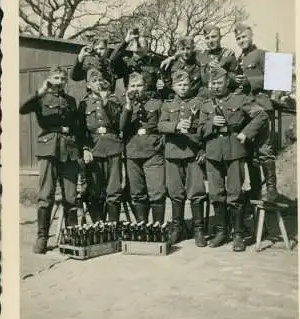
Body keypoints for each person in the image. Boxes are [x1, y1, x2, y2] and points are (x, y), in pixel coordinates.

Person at [198, 67, 268, 252]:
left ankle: (237, 234)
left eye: (219, 83)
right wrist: (210, 124)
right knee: (216, 193)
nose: (215, 87)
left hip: (235, 151)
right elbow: (199, 130)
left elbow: (262, 115)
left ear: (227, 83)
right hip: (213, 152)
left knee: (235, 193)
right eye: (213, 83)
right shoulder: (206, 104)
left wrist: (246, 133)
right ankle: (221, 231)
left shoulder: (240, 99)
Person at [19, 65, 82, 254]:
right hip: (48, 149)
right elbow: (22, 109)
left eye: (63, 79)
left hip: (69, 150)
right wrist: (40, 92)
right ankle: (42, 238)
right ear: (49, 79)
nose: (60, 82)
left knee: (71, 196)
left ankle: (72, 237)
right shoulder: (41, 98)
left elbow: (77, 126)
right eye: (56, 78)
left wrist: (80, 150)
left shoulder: (71, 101)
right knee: (46, 196)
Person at [158, 70, 207, 247]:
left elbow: (203, 127)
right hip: (173, 152)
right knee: (175, 192)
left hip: (192, 152)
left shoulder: (198, 103)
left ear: (190, 85)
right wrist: (176, 126)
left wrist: (202, 148)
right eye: (179, 85)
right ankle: (177, 228)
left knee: (196, 191)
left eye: (186, 84)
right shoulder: (167, 104)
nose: (183, 88)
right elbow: (161, 124)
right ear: (173, 86)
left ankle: (198, 229)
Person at [233, 23, 279, 203]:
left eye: (244, 37)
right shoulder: (238, 59)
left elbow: (276, 78)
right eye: (238, 38)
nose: (241, 40)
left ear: (251, 36)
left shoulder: (262, 54)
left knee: (264, 150)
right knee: (251, 154)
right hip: (246, 110)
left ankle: (272, 188)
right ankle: (256, 189)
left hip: (261, 106)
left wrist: (248, 80)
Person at [119, 72, 166, 224]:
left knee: (156, 192)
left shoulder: (156, 103)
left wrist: (162, 142)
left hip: (153, 151)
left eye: (139, 85)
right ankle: (143, 227)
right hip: (132, 152)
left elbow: (164, 124)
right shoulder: (125, 105)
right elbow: (121, 127)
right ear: (127, 88)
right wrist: (128, 105)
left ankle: (158, 228)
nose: (136, 89)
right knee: (137, 193)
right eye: (132, 86)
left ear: (145, 87)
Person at [79, 68, 123, 223]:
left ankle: (113, 227)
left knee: (114, 189)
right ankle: (99, 226)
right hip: (94, 148)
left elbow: (118, 122)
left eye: (100, 81)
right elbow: (81, 130)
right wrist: (85, 149)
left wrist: (106, 103)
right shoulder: (84, 104)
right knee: (95, 190)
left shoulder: (114, 100)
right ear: (88, 85)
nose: (97, 84)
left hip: (113, 146)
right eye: (94, 81)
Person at [109, 29, 163, 98]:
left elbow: (161, 85)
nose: (138, 43)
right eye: (135, 42)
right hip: (129, 97)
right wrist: (126, 41)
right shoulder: (125, 62)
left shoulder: (154, 63)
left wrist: (161, 86)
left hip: (149, 99)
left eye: (142, 42)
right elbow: (112, 60)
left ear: (147, 48)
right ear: (130, 46)